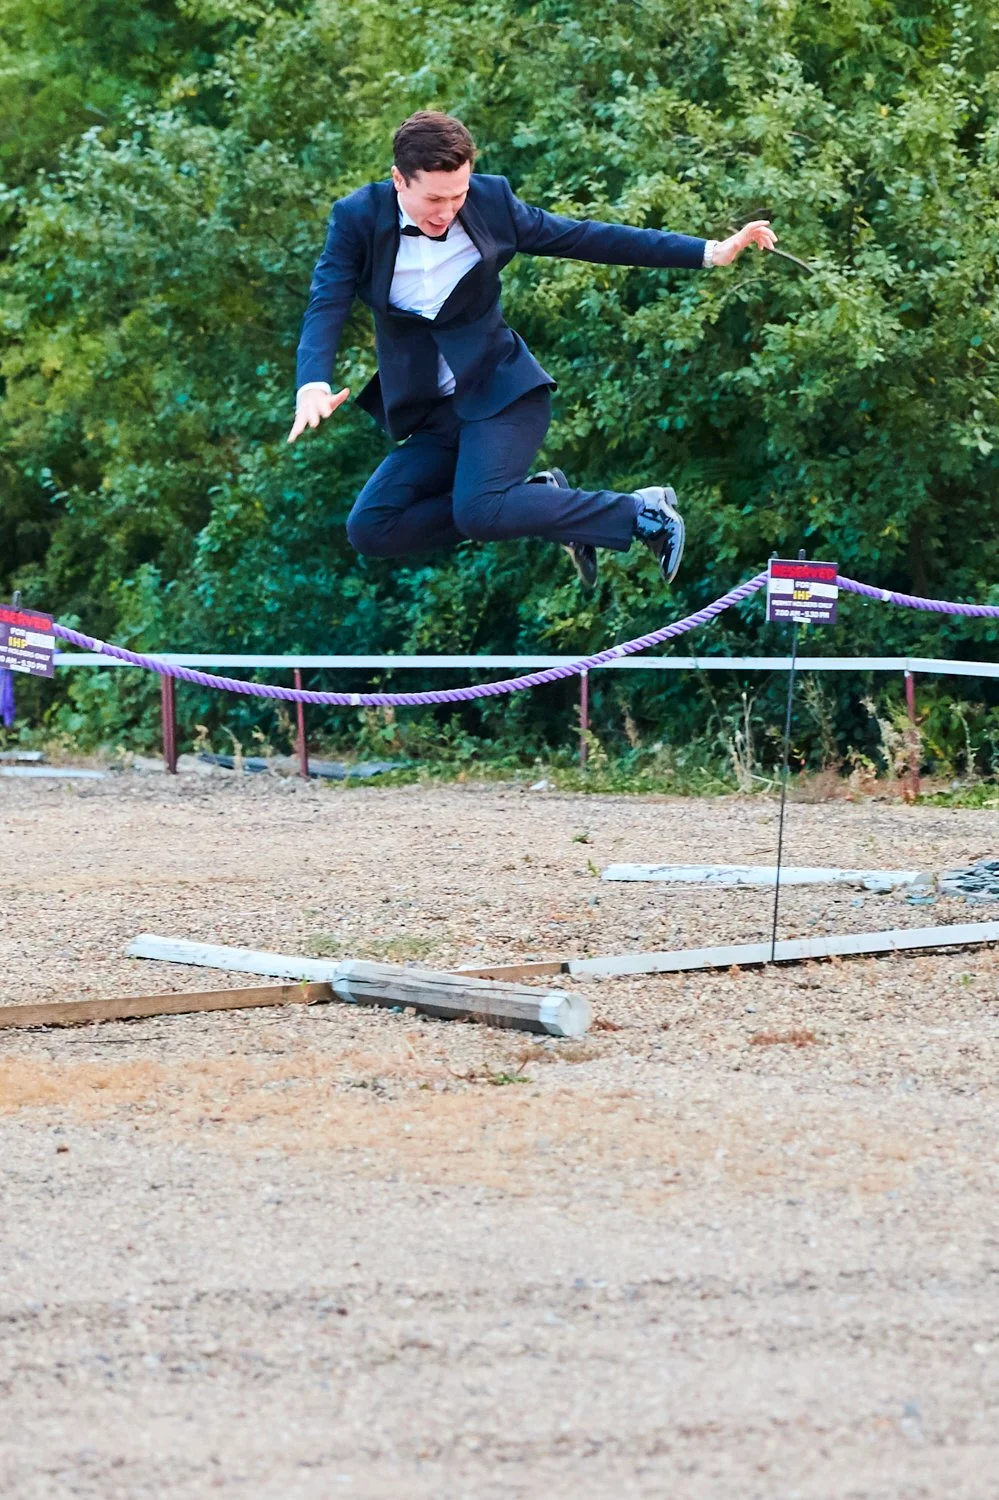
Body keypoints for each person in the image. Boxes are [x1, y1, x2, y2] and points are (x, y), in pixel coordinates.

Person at [290, 111, 776, 590]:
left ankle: (639, 513)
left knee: (480, 512)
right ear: (399, 180)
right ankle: (537, 502)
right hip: (436, 412)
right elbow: (327, 297)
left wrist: (711, 251)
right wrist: (313, 381)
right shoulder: (357, 218)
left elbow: (587, 237)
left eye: (458, 195)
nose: (447, 212)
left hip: (503, 393)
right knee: (372, 527)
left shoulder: (490, 203)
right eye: (434, 199)